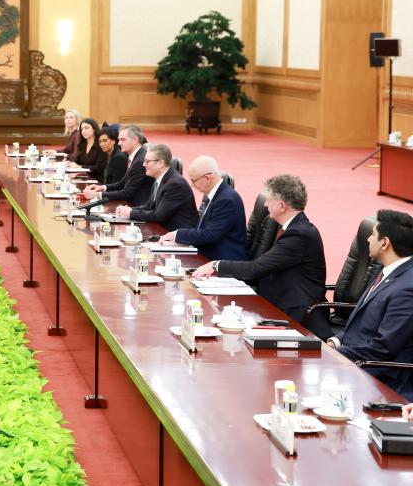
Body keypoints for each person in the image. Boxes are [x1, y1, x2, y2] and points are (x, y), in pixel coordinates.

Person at [193, 175, 330, 338]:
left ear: (282, 205)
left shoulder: (299, 235)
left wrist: (216, 265)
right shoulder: (293, 228)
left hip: (297, 316)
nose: (265, 204)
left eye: (269, 200)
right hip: (278, 302)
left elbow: (256, 268)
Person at [327, 210, 413, 399]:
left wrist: (334, 354)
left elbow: (384, 348)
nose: (368, 239)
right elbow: (364, 324)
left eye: (373, 235)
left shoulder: (408, 288)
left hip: (380, 379)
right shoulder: (390, 272)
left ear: (385, 243)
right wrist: (335, 342)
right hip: (358, 361)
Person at [159, 156, 248, 261]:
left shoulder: (226, 199)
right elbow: (202, 230)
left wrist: (177, 235)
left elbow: (210, 235)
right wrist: (179, 240)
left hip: (223, 260)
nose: (192, 185)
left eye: (194, 181)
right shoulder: (213, 194)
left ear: (207, 178)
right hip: (209, 252)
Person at [114, 144, 197, 231]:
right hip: (163, 229)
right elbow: (149, 206)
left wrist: (131, 213)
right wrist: (128, 210)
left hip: (176, 233)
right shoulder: (160, 179)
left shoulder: (175, 185)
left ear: (160, 163)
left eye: (147, 161)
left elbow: (159, 216)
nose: (144, 164)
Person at [83, 125, 153, 206]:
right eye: (119, 140)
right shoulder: (136, 156)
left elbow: (127, 193)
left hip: (136, 207)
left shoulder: (140, 161)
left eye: (123, 140)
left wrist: (98, 195)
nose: (119, 143)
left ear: (135, 140)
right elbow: (122, 183)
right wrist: (102, 187)